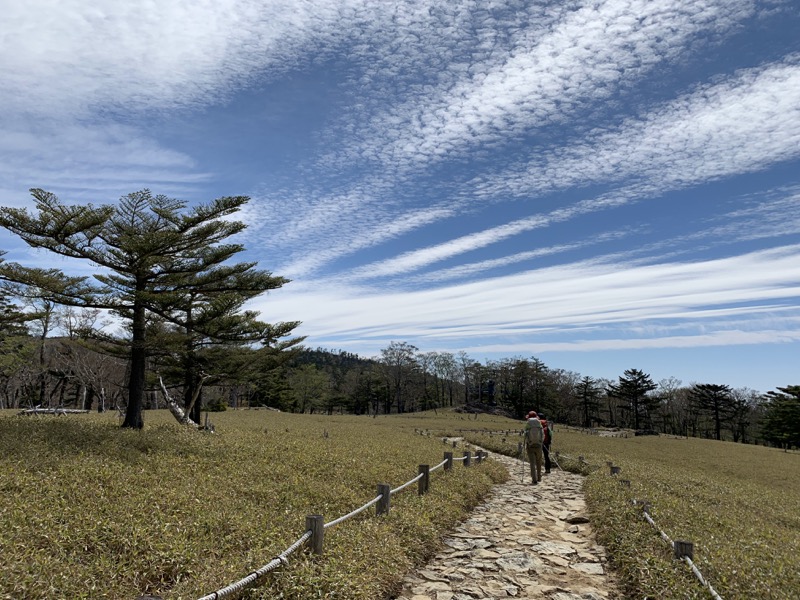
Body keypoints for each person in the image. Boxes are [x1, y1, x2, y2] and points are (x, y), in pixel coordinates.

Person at [523, 412, 544, 484]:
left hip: (530, 445)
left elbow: (525, 434)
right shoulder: (539, 423)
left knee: (532, 462)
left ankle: (534, 478)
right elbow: (542, 433)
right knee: (539, 461)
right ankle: (539, 477)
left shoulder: (528, 423)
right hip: (538, 445)